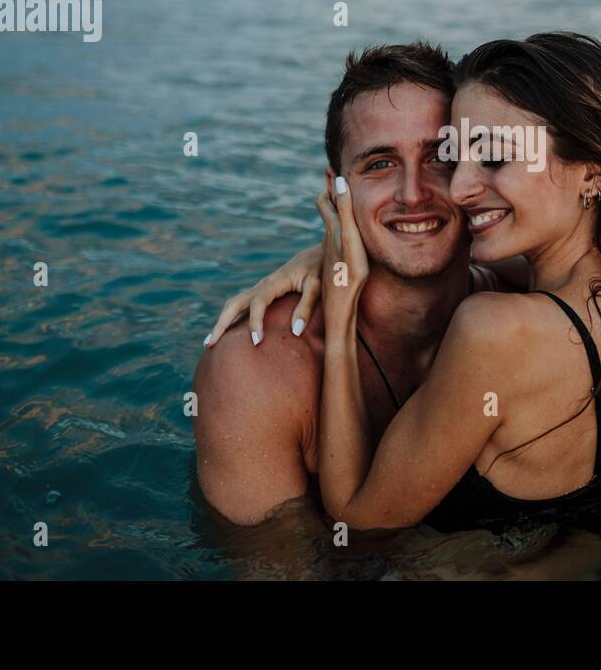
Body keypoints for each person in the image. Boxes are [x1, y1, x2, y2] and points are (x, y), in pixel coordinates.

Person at [234, 32, 601, 534]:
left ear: (591, 172)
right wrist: (333, 249)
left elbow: (357, 521)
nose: (460, 188)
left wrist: (343, 308)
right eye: (456, 157)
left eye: (495, 158)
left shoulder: (494, 330)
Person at [192, 42, 516, 526]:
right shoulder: (254, 370)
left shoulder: (526, 309)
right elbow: (282, 568)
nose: (413, 194)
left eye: (439, 158)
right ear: (335, 191)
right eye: (380, 164)